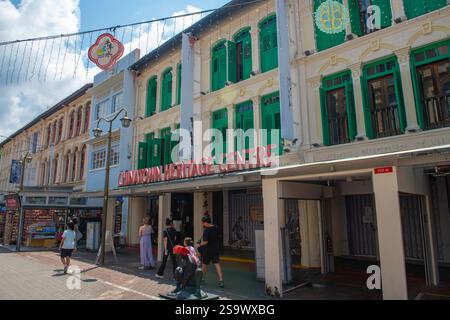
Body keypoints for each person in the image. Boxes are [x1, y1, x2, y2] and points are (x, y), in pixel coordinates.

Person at [197, 215, 224, 288]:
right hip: (216, 249)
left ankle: (201, 279)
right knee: (217, 264)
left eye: (202, 223)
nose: (202, 224)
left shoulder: (206, 230)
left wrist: (199, 245)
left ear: (205, 222)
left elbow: (205, 242)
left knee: (204, 264)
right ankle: (221, 280)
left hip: (208, 250)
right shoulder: (216, 227)